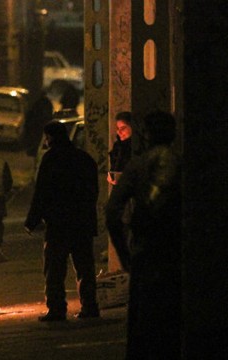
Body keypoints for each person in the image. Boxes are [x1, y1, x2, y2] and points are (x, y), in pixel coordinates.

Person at [106, 111, 181, 359]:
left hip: (144, 250)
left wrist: (124, 252)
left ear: (146, 135)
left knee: (141, 321)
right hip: (174, 252)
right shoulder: (180, 163)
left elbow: (112, 210)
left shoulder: (136, 166)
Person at [24, 120, 100, 322]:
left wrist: (32, 220)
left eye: (47, 138)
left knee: (55, 269)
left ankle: (57, 309)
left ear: (51, 138)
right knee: (84, 267)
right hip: (82, 222)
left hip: (58, 224)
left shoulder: (51, 159)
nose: (46, 142)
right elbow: (93, 191)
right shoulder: (84, 158)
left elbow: (42, 192)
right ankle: (90, 306)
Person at [24, 91, 55, 156]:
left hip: (39, 124)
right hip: (40, 124)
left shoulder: (39, 103)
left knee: (37, 138)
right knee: (39, 138)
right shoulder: (45, 103)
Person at [108, 111, 133, 185]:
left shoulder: (136, 147)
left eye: (123, 128)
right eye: (118, 128)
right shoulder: (118, 146)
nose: (119, 132)